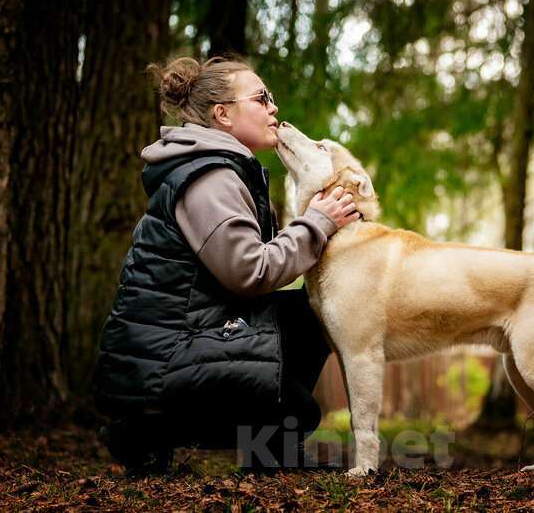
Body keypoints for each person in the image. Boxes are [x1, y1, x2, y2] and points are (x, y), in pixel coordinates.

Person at [92, 56, 358, 472]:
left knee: (314, 312)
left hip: (181, 344)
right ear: (223, 114)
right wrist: (317, 223)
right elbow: (249, 273)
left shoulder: (219, 169)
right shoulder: (209, 178)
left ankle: (268, 453)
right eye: (261, 98)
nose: (273, 107)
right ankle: (146, 429)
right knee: (299, 409)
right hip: (160, 368)